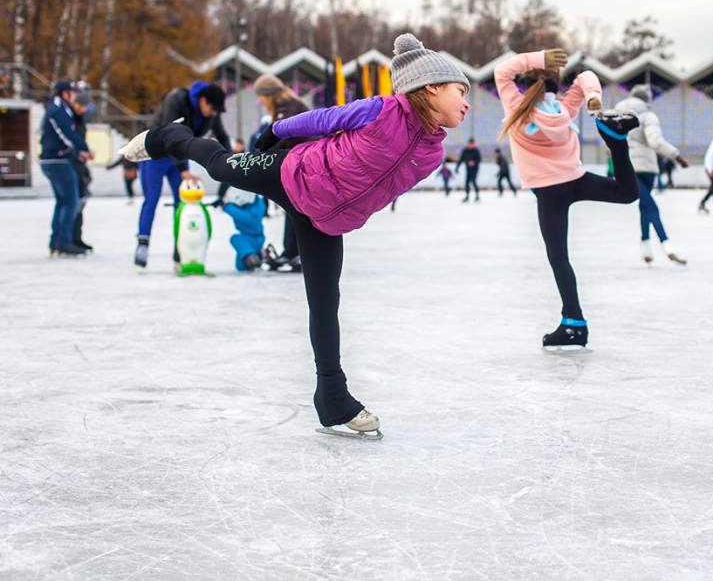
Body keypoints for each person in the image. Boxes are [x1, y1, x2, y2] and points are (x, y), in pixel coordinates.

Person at [119, 33, 470, 438]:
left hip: (326, 220)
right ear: (430, 88)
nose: (465, 101)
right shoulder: (381, 110)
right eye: (460, 90)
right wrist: (276, 131)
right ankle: (165, 138)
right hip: (291, 174)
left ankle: (333, 399)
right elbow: (324, 120)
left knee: (325, 304)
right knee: (219, 166)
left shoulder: (433, 153)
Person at [494, 47, 639, 351]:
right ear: (556, 85)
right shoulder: (563, 109)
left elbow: (501, 72)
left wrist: (539, 58)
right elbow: (586, 75)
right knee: (627, 193)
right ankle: (616, 141)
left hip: (549, 193)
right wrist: (591, 97)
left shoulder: (516, 107)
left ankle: (574, 323)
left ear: (526, 82)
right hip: (576, 180)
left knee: (559, 257)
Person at [135, 80, 229, 268]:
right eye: (212, 108)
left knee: (183, 203)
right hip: (155, 153)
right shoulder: (176, 99)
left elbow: (222, 136)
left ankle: (181, 249)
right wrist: (183, 170)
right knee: (151, 199)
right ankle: (143, 244)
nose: (214, 113)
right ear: (202, 100)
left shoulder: (211, 113)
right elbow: (170, 136)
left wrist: (233, 162)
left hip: (178, 156)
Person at [614, 84, 689, 265]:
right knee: (651, 206)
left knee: (645, 206)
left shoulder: (617, 113)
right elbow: (655, 141)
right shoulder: (647, 115)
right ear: (646, 100)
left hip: (626, 166)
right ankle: (666, 243)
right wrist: (676, 156)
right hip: (646, 167)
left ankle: (645, 246)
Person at [254, 74, 309, 272]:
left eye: (260, 95)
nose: (259, 100)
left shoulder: (286, 107)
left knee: (296, 208)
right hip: (301, 161)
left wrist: (261, 157)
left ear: (269, 94)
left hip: (306, 163)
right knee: (293, 208)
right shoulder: (286, 105)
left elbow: (282, 136)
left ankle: (296, 252)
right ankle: (293, 251)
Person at [39, 80, 91, 256]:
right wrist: (83, 149)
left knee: (63, 202)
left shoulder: (62, 109)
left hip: (57, 159)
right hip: (57, 161)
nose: (77, 95)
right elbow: (66, 134)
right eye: (74, 92)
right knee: (71, 202)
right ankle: (63, 242)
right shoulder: (57, 110)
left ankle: (56, 241)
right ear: (65, 93)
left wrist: (78, 152)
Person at [70, 83, 95, 251]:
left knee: (81, 200)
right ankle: (71, 238)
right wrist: (80, 152)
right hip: (72, 162)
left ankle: (76, 237)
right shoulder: (69, 117)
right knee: (74, 201)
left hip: (79, 163)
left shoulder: (80, 119)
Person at [222, 187, 266, 272]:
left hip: (251, 238)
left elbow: (244, 218)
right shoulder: (254, 205)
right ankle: (254, 256)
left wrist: (226, 206)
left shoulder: (256, 209)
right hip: (252, 239)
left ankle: (253, 257)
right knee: (240, 266)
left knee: (235, 238)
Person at [457, 137, 482, 202]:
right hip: (468, 169)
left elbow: (479, 159)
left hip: (475, 169)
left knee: (473, 181)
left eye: (473, 144)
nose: (471, 145)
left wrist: (474, 162)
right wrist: (457, 167)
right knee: (467, 182)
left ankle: (477, 196)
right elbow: (461, 159)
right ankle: (467, 196)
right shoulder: (465, 150)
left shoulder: (476, 150)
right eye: (470, 144)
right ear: (468, 144)